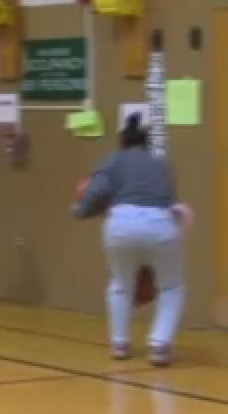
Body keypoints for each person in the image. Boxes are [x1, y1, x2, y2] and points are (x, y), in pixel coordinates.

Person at [74, 113, 184, 366]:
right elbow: (171, 202)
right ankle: (160, 345)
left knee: (121, 285)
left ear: (123, 141)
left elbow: (96, 192)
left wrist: (80, 211)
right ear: (146, 143)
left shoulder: (113, 160)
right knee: (171, 287)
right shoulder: (162, 165)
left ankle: (120, 343)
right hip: (160, 224)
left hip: (120, 223)